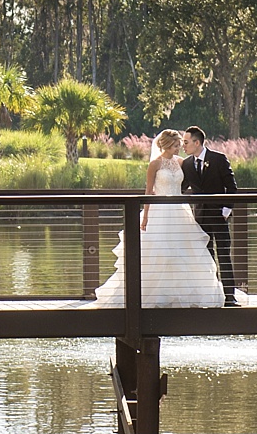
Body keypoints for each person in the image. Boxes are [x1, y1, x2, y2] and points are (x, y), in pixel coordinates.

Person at [93, 129, 225, 308]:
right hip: (160, 211)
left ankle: (183, 295)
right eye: (178, 144)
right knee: (159, 252)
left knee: (183, 253)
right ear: (169, 145)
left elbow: (191, 184)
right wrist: (145, 217)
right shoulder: (155, 164)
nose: (180, 147)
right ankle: (154, 295)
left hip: (179, 211)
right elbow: (148, 192)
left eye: (182, 144)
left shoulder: (181, 162)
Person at [181, 125, 239, 307]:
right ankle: (211, 294)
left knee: (223, 254)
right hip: (200, 217)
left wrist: (226, 209)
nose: (184, 146)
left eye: (186, 142)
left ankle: (230, 296)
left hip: (219, 215)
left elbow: (231, 186)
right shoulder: (187, 164)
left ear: (197, 142)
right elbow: (181, 188)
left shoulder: (218, 159)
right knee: (206, 257)